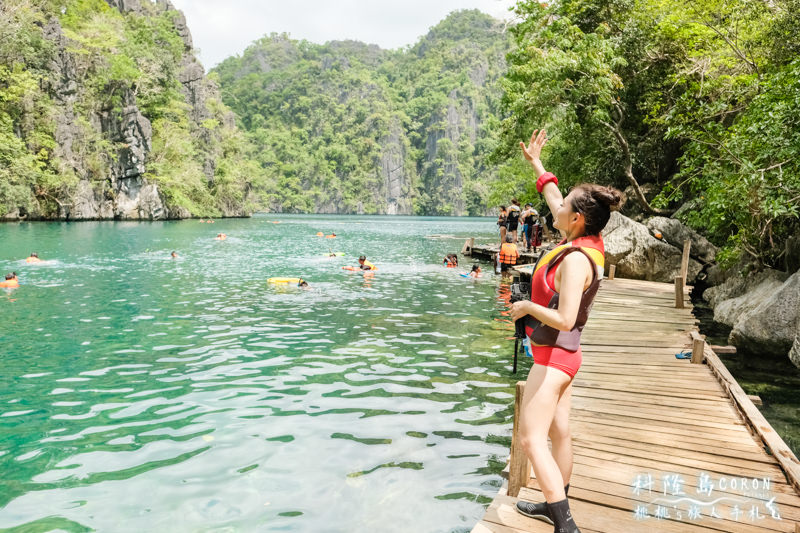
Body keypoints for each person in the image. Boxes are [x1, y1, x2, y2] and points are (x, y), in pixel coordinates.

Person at [510, 129, 623, 533]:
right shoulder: (584, 238)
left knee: (530, 439)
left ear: (576, 219)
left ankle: (565, 523)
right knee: (560, 432)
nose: (554, 209)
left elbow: (567, 318)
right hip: (565, 356)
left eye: (564, 208)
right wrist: (539, 166)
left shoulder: (576, 260)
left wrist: (526, 306)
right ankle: (556, 501)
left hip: (555, 356)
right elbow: (555, 199)